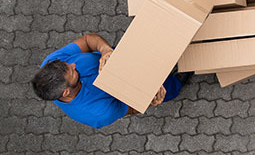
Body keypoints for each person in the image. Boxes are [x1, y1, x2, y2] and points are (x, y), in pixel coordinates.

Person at [31, 34, 186, 129]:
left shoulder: (52, 63)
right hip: (139, 83)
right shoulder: (97, 113)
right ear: (66, 92)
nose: (73, 64)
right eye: (72, 71)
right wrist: (149, 99)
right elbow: (131, 108)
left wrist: (105, 50)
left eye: (68, 64)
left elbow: (87, 40)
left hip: (124, 56)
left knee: (154, 52)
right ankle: (179, 77)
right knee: (168, 86)